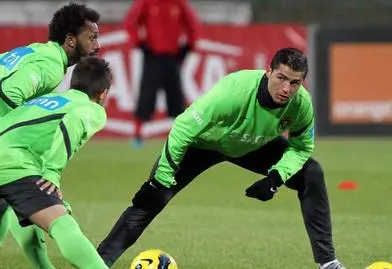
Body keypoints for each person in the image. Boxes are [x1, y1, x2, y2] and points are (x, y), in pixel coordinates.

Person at [97, 48, 346, 269]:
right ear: (268, 71)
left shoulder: (301, 104)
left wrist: (275, 178)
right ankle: (99, 262)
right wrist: (162, 177)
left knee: (312, 173)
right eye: (281, 78)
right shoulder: (234, 91)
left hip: (253, 144)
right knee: (152, 197)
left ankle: (328, 262)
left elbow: (301, 148)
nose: (286, 89)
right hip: (204, 143)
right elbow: (184, 126)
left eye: (295, 83)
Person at [0, 3, 101, 269]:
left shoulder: (36, 50)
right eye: (92, 37)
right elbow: (11, 93)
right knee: (6, 196)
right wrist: (9, 132)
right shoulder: (51, 65)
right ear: (71, 40)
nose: (97, 44)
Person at [0, 56, 111, 269]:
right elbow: (75, 121)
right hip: (7, 164)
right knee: (62, 223)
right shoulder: (91, 108)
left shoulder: (47, 99)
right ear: (103, 93)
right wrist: (51, 172)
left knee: (9, 205)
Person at [123, 0, 201, 146]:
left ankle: (181, 136)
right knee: (146, 96)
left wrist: (189, 45)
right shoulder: (147, 2)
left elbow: (193, 24)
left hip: (173, 58)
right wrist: (140, 43)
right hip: (153, 56)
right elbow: (130, 22)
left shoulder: (178, 3)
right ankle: (137, 136)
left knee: (176, 99)